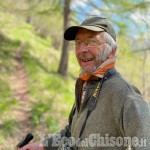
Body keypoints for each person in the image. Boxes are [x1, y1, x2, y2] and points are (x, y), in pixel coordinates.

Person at [19, 16, 150, 150]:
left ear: (112, 51)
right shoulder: (87, 83)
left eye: (91, 41)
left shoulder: (124, 93)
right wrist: (42, 146)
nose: (81, 50)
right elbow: (72, 132)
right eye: (78, 42)